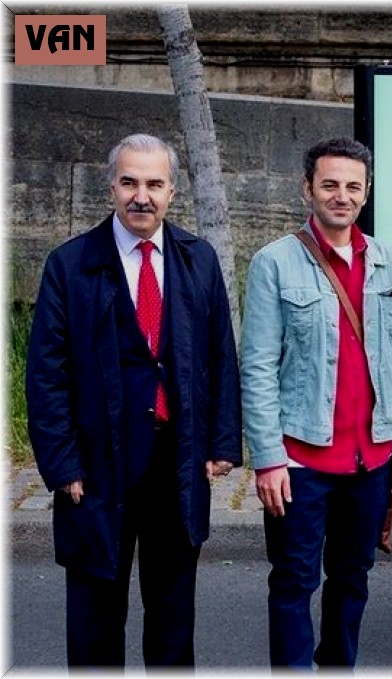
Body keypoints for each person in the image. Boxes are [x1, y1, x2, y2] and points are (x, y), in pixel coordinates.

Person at [25, 133, 242, 667]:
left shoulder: (199, 260)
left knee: (172, 621)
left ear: (171, 191)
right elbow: (45, 376)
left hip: (178, 462)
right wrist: (62, 464)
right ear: (111, 189)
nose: (140, 195)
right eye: (129, 182)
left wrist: (221, 441)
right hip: (98, 468)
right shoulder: (70, 265)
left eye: (153, 183)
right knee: (95, 619)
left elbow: (220, 356)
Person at [240, 137, 392, 669]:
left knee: (352, 577)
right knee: (295, 579)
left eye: (352, 186)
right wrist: (269, 458)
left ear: (365, 193)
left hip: (371, 458)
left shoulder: (389, 263)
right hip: (302, 459)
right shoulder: (274, 262)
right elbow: (256, 367)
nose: (341, 196)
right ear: (308, 189)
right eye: (329, 185)